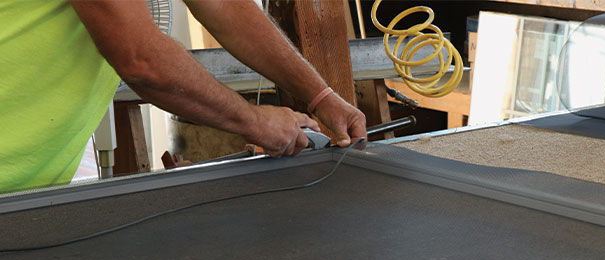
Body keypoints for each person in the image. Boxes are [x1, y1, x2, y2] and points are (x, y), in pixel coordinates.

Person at [0, 0, 367, 193]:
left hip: (30, 191)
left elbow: (223, 6)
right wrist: (255, 122)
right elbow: (140, 59)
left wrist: (321, 96)